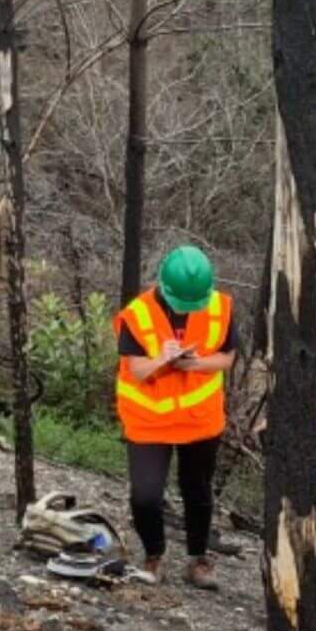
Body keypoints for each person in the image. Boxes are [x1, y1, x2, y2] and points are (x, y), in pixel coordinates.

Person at [114, 244, 236, 588]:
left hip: (200, 420)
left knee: (197, 490)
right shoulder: (137, 314)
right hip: (148, 422)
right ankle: (154, 556)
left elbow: (227, 358)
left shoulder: (220, 307)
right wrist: (162, 361)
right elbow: (136, 370)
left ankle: (198, 559)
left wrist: (195, 363)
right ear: (164, 286)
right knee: (145, 495)